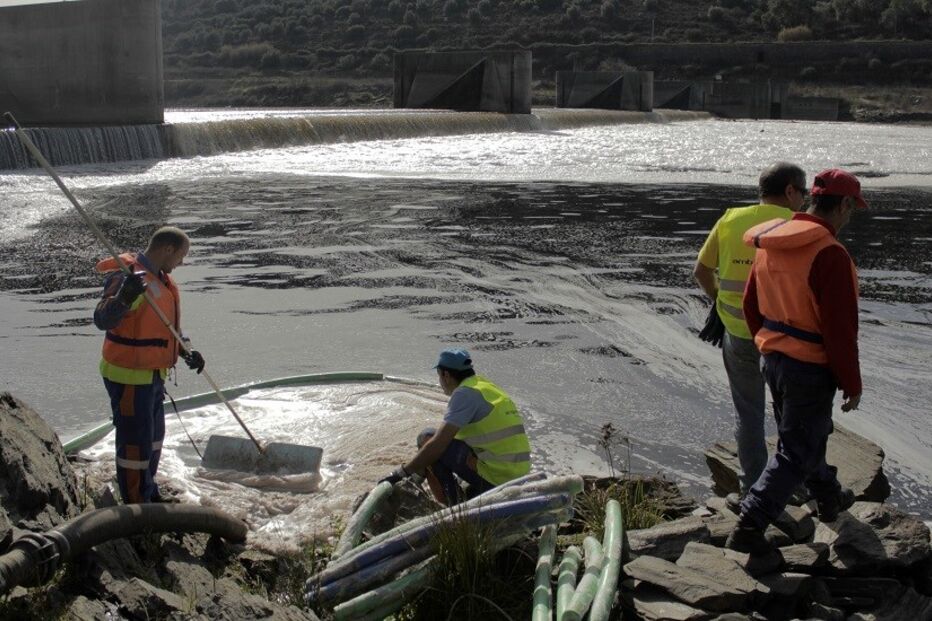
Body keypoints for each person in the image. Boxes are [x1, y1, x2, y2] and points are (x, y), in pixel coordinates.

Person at [726, 169, 867, 553]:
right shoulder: (831, 255)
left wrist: (767, 344)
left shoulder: (772, 243)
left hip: (774, 359)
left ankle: (829, 496)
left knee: (806, 436)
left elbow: (750, 305)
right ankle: (750, 525)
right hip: (809, 366)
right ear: (843, 205)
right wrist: (852, 384)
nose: (851, 216)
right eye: (852, 208)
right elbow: (840, 331)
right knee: (796, 449)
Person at [694, 162, 808, 495]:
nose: (804, 199)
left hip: (738, 334)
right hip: (784, 339)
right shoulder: (799, 225)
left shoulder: (730, 220)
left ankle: (753, 487)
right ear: (789, 190)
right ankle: (792, 484)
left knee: (749, 414)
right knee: (791, 413)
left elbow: (701, 271)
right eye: (803, 192)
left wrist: (721, 302)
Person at [93, 226, 205, 504]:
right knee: (135, 444)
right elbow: (102, 319)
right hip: (128, 376)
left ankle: (148, 492)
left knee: (153, 439)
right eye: (181, 255)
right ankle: (135, 505)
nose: (182, 262)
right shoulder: (126, 277)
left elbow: (168, 329)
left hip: (152, 376)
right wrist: (123, 298)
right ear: (168, 249)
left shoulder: (163, 281)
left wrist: (187, 350)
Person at [380, 348, 531, 505]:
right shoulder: (484, 386)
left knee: (427, 439)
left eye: (439, 375)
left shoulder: (464, 394)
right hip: (518, 476)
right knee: (439, 443)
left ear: (445, 375)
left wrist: (402, 473)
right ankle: (458, 488)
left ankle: (452, 507)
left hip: (498, 479)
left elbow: (438, 444)